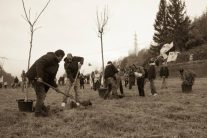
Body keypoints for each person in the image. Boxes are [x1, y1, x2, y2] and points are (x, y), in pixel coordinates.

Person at [26, 49, 65, 117]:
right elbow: (39, 63)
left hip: (43, 80)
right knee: (41, 94)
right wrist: (40, 76)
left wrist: (56, 87)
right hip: (35, 77)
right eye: (62, 58)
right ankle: (38, 112)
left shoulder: (56, 65)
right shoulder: (50, 57)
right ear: (59, 56)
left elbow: (51, 78)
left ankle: (41, 107)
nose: (61, 60)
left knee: (42, 94)